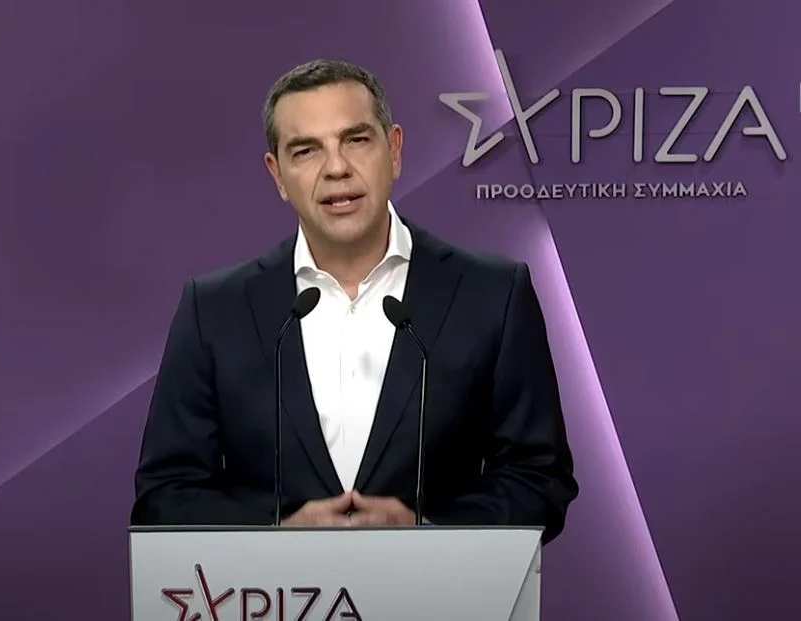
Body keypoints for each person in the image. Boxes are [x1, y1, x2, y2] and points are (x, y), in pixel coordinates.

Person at [131, 59, 578, 543]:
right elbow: (164, 495)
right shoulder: (215, 310)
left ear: (395, 151)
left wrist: (429, 535)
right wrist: (274, 536)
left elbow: (539, 479)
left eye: (357, 140)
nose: (337, 168)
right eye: (306, 151)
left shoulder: (493, 293)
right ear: (277, 175)